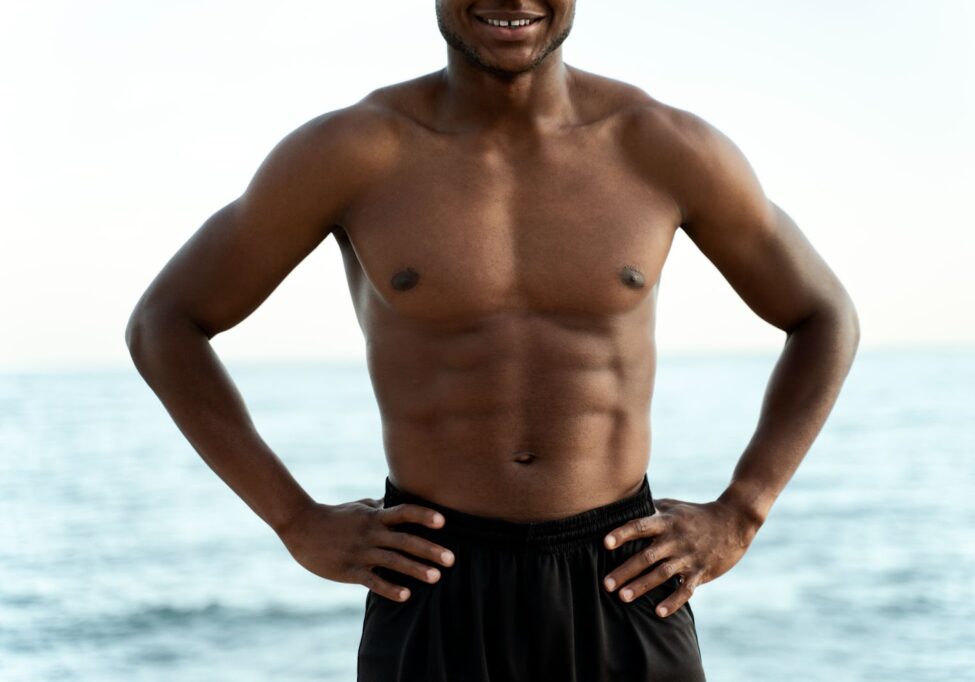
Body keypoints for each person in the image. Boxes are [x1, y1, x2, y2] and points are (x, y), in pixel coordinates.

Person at [125, 1, 860, 680]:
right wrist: (294, 519)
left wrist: (742, 511)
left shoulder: (663, 146)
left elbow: (824, 314)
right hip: (431, 575)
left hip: (624, 575)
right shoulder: (352, 151)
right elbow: (166, 323)